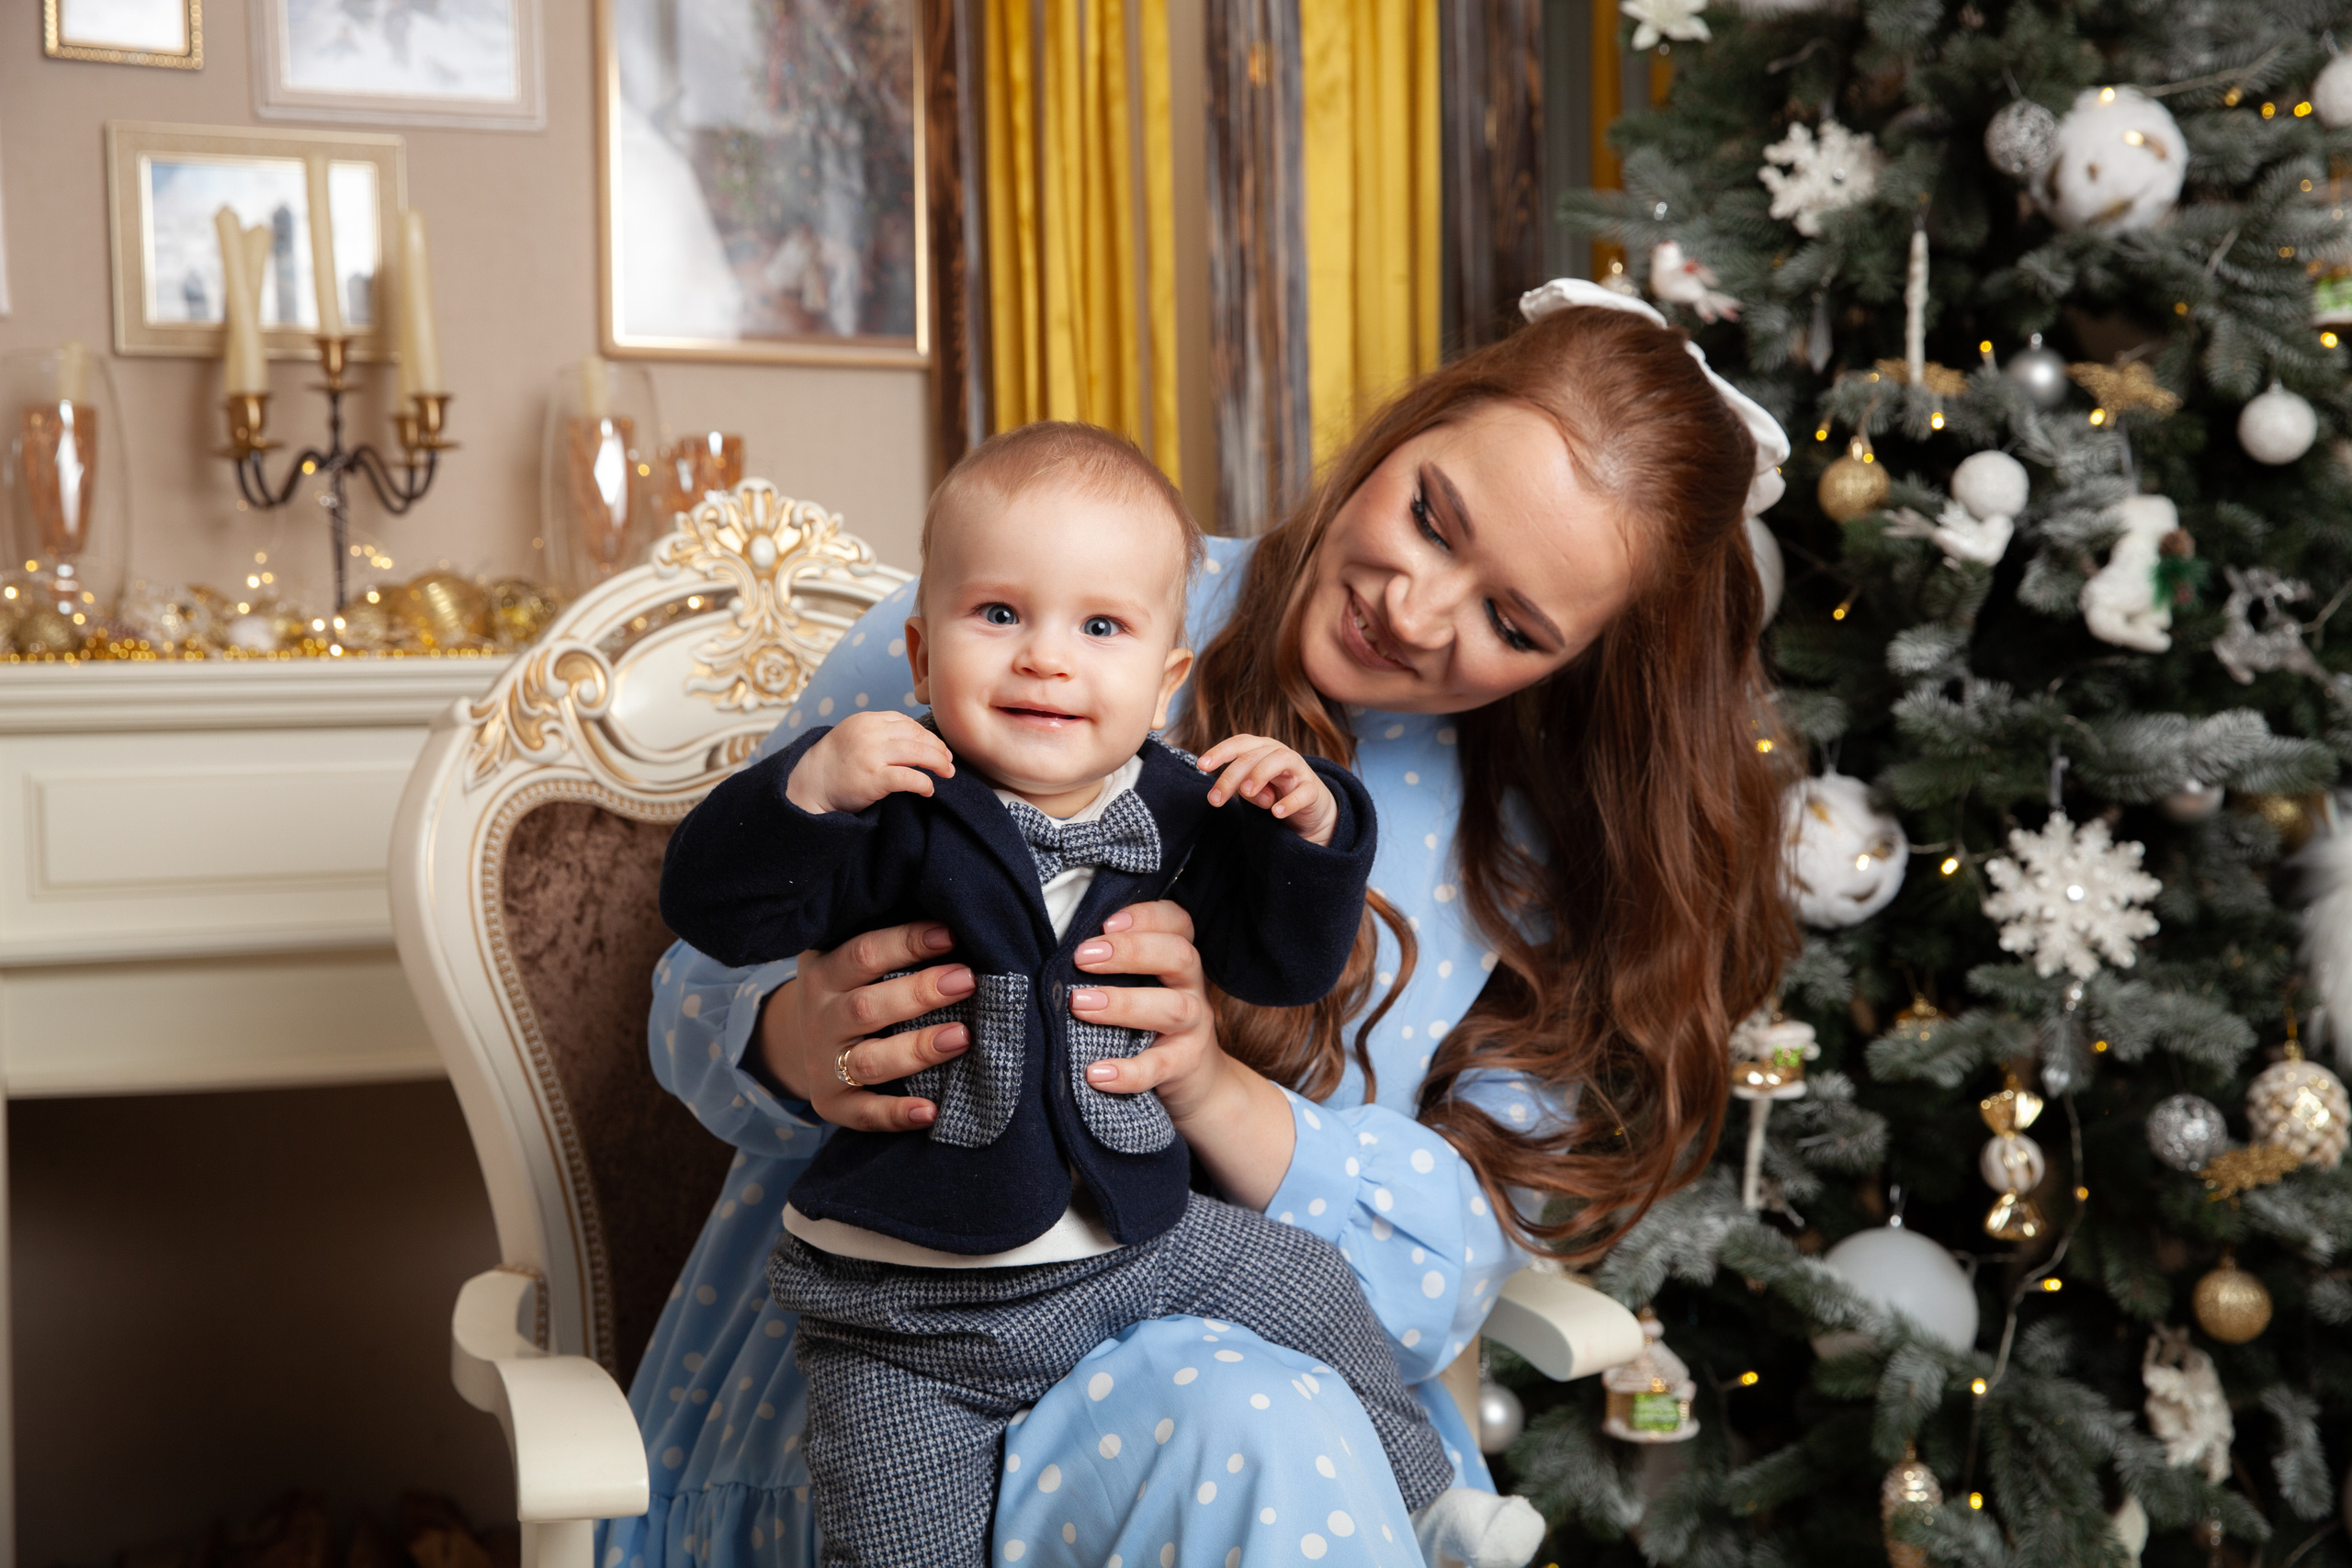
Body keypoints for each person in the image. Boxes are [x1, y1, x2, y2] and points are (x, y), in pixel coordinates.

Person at [600, 280, 1797, 1568]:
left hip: (1224, 1339)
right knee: (1251, 1424)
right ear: (1408, 429)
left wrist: (1213, 1085)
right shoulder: (1029, 597)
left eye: (1514, 623)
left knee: (1258, 1409)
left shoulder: (1521, 849)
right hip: (908, 1332)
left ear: (1587, 656)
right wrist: (794, 1033)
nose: (1418, 608)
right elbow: (696, 976)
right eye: (1430, 515)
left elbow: (1453, 1259)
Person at [656, 425, 1539, 1567]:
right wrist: (803, 796)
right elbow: (714, 912)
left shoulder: (1175, 806)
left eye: (1102, 628)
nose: (1046, 660)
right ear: (920, 655)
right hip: (906, 1302)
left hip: (1129, 1247)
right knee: (896, 1537)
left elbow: (1282, 964)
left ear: (1165, 679)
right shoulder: (894, 799)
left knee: (1313, 1286)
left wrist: (1311, 834)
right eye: (999, 616)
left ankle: (1426, 1502)